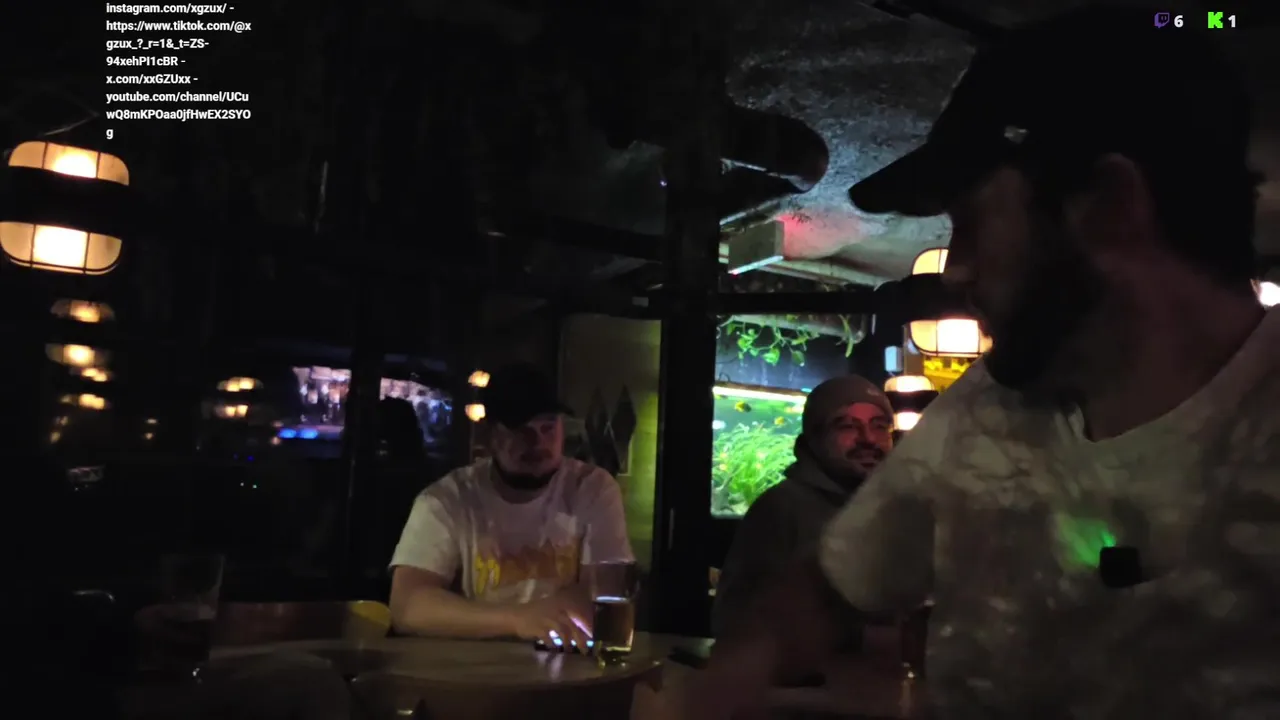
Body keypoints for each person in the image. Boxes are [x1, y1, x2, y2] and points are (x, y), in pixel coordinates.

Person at [685, 7, 1280, 719]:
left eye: (969, 225)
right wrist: (736, 677)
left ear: (1109, 208)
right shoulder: (986, 405)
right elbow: (831, 585)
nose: (955, 270)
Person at [388, 363, 633, 650]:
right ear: (490, 435)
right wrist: (518, 619)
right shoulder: (448, 499)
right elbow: (407, 606)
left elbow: (607, 593)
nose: (538, 442)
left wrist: (576, 603)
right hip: (472, 668)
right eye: (521, 430)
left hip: (567, 663)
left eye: (548, 428)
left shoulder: (592, 488)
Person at [712, 375, 894, 641]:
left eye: (879, 426)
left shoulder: (895, 510)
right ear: (814, 439)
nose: (868, 439)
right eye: (847, 426)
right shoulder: (781, 509)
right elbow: (735, 622)